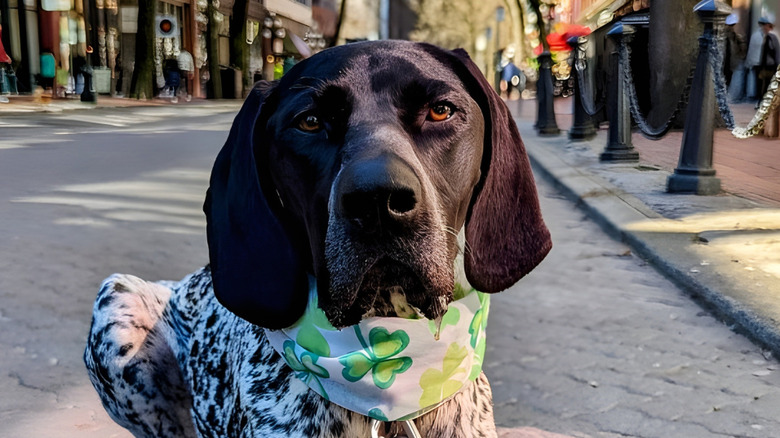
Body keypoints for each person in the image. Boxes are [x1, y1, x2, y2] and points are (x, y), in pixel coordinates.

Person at [746, 16, 780, 105]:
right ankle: (761, 101)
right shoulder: (757, 36)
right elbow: (753, 51)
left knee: (768, 85)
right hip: (760, 65)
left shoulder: (772, 37)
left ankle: (765, 102)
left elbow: (776, 52)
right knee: (760, 85)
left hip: (769, 65)